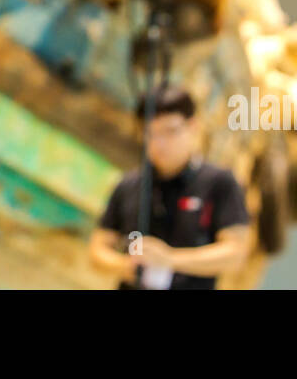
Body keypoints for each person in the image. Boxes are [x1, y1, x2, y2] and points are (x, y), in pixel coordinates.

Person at [89, 85, 250, 289]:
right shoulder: (129, 184)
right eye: (150, 133)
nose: (159, 143)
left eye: (170, 131)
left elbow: (235, 253)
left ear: (192, 126)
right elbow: (98, 247)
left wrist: (170, 259)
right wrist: (124, 265)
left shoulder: (219, 183)